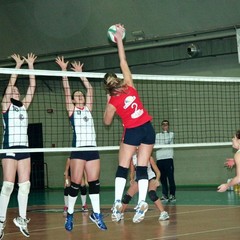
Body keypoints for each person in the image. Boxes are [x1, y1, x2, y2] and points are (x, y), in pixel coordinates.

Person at [103, 24, 156, 223]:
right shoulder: (130, 85)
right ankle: (141, 202)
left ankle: (118, 204)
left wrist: (109, 104)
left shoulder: (112, 101)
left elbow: (107, 122)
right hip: (148, 129)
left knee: (123, 167)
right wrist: (119, 39)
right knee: (142, 168)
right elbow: (123, 60)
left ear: (107, 89)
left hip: (133, 131)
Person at [55, 57, 107, 231]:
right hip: (77, 150)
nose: (79, 96)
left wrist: (81, 74)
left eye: (81, 95)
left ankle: (96, 214)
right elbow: (66, 88)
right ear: (73, 100)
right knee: (75, 184)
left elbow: (90, 88)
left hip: (92, 149)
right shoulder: (72, 110)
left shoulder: (88, 109)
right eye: (76, 96)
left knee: (94, 182)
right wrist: (64, 71)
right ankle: (69, 215)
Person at [0, 53, 37, 239]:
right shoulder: (5, 105)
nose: (14, 92)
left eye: (16, 91)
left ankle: (22, 219)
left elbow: (33, 86)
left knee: (25, 185)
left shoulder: (23, 106)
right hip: (9, 147)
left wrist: (30, 66)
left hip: (24, 148)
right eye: (12, 91)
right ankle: (0, 222)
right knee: (7, 185)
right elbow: (8, 89)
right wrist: (17, 66)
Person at [121, 152, 169, 221]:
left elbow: (158, 171)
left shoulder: (149, 157)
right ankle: (121, 214)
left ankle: (164, 213)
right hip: (140, 179)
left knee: (152, 194)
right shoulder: (133, 159)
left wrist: (157, 180)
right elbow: (132, 172)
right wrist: (131, 179)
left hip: (150, 178)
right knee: (126, 197)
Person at [155, 120, 176, 202]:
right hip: (160, 159)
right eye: (163, 124)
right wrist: (161, 145)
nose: (165, 126)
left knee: (170, 178)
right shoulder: (157, 135)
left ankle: (172, 195)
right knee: (162, 178)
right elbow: (156, 146)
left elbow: (165, 143)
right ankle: (165, 195)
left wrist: (160, 145)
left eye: (166, 125)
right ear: (161, 125)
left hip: (168, 158)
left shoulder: (171, 134)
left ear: (168, 126)